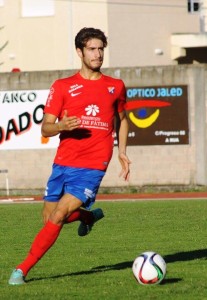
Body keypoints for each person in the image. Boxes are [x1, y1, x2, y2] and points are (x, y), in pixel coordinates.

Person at [8, 27, 131, 285]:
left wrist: (121, 151)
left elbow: (122, 119)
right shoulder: (63, 86)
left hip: (94, 164)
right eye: (92, 49)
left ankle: (21, 270)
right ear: (80, 52)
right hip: (63, 162)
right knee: (50, 216)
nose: (98, 54)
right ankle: (88, 216)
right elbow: (46, 127)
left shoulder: (115, 86)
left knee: (58, 216)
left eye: (101, 49)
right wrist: (62, 126)